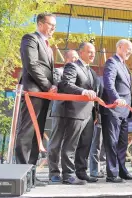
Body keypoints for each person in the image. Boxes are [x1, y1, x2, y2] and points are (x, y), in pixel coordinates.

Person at [15, 13, 57, 184]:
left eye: (55, 26)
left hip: (44, 95)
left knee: (37, 134)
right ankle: (21, 173)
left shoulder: (48, 46)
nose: (53, 28)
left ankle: (31, 174)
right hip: (33, 92)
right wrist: (48, 85)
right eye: (51, 24)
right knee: (27, 132)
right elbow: (31, 64)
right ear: (40, 24)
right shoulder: (30, 39)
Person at [58, 42, 99, 184]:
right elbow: (66, 84)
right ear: (81, 52)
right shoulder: (72, 66)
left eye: (94, 52)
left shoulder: (92, 72)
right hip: (75, 112)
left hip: (89, 114)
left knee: (85, 144)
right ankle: (68, 175)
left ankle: (81, 172)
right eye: (89, 52)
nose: (93, 54)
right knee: (71, 144)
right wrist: (83, 91)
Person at [101, 39, 132, 183]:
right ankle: (112, 173)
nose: (129, 52)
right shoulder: (112, 62)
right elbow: (108, 82)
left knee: (122, 143)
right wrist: (116, 98)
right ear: (119, 47)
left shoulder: (124, 66)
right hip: (113, 109)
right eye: (128, 48)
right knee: (112, 142)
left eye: (131, 50)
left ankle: (122, 171)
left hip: (124, 112)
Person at [48, 50, 78, 183]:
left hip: (74, 112)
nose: (76, 61)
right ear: (66, 59)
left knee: (70, 144)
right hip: (60, 110)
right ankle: (54, 172)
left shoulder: (79, 73)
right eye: (74, 58)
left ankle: (68, 173)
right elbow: (60, 85)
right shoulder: (58, 72)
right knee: (55, 142)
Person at [89, 76, 106, 178]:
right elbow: (95, 99)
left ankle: (103, 168)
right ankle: (94, 170)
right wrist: (95, 115)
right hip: (99, 116)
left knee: (105, 145)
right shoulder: (99, 80)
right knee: (96, 145)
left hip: (110, 118)